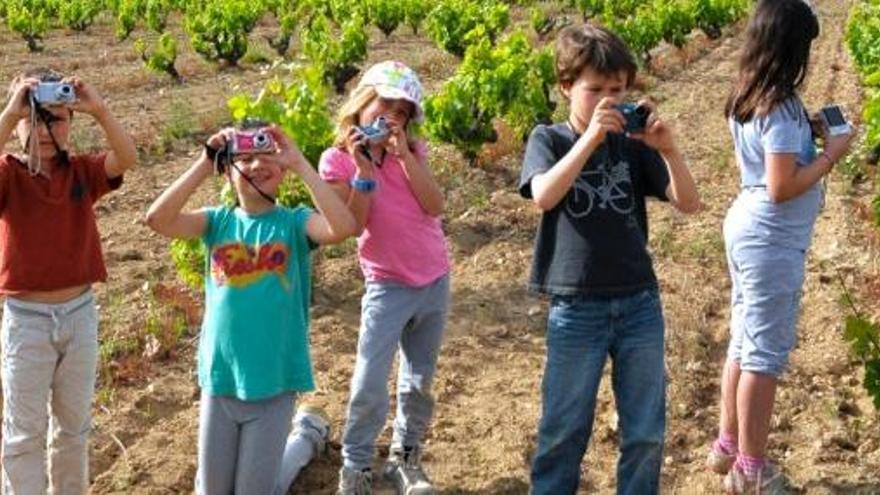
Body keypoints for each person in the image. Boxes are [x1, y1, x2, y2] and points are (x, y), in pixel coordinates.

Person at [518, 24, 701, 495]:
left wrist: (669, 150)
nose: (607, 99)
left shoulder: (632, 145)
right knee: (563, 430)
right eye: (594, 89)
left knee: (644, 433)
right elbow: (543, 195)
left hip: (639, 302)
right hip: (576, 307)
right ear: (565, 87)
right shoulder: (550, 139)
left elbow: (689, 202)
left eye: (617, 89)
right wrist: (590, 140)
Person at [145, 121, 356, 494]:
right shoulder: (217, 222)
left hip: (273, 383)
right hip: (221, 381)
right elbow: (157, 219)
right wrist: (204, 162)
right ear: (227, 172)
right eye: (245, 157)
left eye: (267, 155)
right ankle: (305, 436)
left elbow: (342, 227)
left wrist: (301, 164)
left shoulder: (294, 223)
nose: (258, 164)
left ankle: (305, 439)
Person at [705, 1, 854, 493]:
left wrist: (806, 138)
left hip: (745, 228)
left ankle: (727, 445)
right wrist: (831, 153)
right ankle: (752, 467)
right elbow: (781, 186)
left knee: (743, 342)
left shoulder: (749, 94)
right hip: (771, 238)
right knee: (764, 356)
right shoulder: (782, 106)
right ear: (792, 50)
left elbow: (771, 163)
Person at [0, 68, 136, 494]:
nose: (44, 129)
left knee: (73, 429)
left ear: (71, 124)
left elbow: (127, 158)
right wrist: (9, 112)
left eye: (56, 118)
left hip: (79, 315)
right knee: (23, 434)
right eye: (34, 117)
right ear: (19, 122)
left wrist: (98, 109)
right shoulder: (9, 175)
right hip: (27, 320)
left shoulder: (81, 172)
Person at [318, 61, 450, 495]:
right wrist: (365, 172)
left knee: (420, 378)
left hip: (433, 278)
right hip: (387, 284)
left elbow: (434, 206)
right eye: (384, 103)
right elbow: (353, 226)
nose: (391, 114)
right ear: (361, 103)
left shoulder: (413, 151)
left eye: (402, 109)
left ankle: (405, 458)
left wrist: (405, 156)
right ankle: (355, 467)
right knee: (369, 381)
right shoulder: (336, 160)